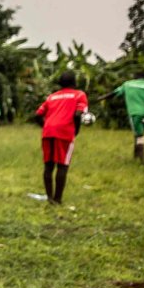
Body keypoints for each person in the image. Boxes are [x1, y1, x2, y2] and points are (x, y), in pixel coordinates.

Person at [35, 70, 90, 204]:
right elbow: (78, 115)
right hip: (65, 132)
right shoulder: (79, 95)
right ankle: (58, 199)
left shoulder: (51, 97)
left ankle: (49, 198)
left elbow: (37, 115)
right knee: (62, 165)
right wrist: (75, 130)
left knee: (48, 166)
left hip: (48, 132)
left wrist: (47, 126)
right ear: (75, 82)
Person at [104, 72, 144, 164]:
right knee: (139, 132)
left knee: (139, 135)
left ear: (135, 77)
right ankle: (135, 156)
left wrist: (101, 98)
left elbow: (115, 93)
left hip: (135, 113)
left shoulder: (128, 84)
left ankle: (142, 161)